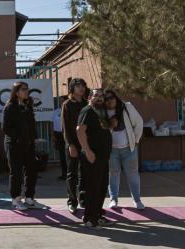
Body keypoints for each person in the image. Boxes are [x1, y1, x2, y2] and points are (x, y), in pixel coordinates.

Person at [3, 81, 45, 211]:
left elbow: (31, 124)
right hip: (14, 145)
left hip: (29, 144)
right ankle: (16, 200)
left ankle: (29, 199)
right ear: (16, 92)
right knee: (16, 173)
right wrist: (19, 138)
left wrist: (34, 138)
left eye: (27, 89)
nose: (26, 91)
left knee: (32, 170)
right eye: (23, 89)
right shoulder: (10, 106)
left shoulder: (27, 105)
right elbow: (6, 128)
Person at [75, 88, 113, 228]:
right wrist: (88, 151)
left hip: (103, 156)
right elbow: (80, 130)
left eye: (102, 96)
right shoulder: (87, 110)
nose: (100, 98)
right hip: (92, 156)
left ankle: (97, 215)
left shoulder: (101, 111)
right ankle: (90, 218)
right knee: (93, 187)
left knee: (101, 187)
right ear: (89, 97)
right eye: (96, 95)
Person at [104, 90, 145, 210]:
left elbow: (139, 122)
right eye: (106, 99)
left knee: (133, 175)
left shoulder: (126, 107)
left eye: (111, 97)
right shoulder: (103, 112)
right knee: (113, 174)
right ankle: (113, 199)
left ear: (116, 97)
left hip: (129, 149)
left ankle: (137, 200)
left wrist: (136, 140)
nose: (109, 100)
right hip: (112, 150)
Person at [61, 78, 88, 214]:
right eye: (78, 86)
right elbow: (65, 128)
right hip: (73, 144)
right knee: (72, 174)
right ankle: (72, 201)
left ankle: (83, 198)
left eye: (83, 85)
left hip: (86, 144)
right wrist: (71, 144)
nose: (81, 88)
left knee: (85, 172)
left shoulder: (87, 104)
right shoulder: (67, 104)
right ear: (72, 88)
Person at [52, 96, 66, 181]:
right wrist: (52, 134)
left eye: (63, 101)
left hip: (66, 134)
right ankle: (64, 173)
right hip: (58, 134)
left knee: (68, 155)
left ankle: (70, 173)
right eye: (60, 101)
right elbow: (52, 123)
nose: (61, 102)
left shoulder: (69, 110)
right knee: (62, 155)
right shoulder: (56, 111)